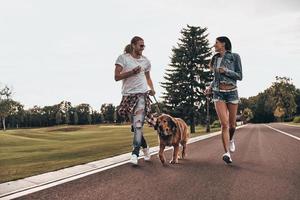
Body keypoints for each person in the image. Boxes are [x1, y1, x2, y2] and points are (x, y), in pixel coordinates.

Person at [114, 36, 156, 165]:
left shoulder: (146, 61)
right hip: (128, 96)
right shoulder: (123, 58)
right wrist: (132, 72)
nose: (143, 48)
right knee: (135, 127)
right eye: (140, 45)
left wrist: (152, 88)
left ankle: (135, 153)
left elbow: (148, 77)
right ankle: (145, 147)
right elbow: (116, 77)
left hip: (142, 95)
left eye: (144, 45)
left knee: (138, 125)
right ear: (133, 45)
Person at [205, 36, 243, 164]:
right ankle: (227, 153)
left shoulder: (235, 57)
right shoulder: (215, 59)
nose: (214, 45)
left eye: (216, 43)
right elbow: (216, 78)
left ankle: (231, 140)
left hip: (232, 93)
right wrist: (209, 87)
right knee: (224, 124)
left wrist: (226, 71)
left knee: (232, 125)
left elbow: (240, 76)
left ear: (223, 44)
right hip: (218, 93)